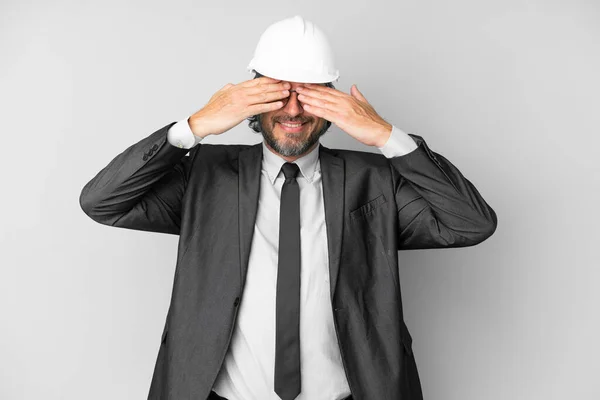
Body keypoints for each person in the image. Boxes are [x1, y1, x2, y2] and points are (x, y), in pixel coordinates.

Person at [79, 15, 497, 400]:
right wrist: (196, 125)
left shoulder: (374, 180)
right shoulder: (204, 176)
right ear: (252, 99)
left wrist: (388, 136)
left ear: (332, 102)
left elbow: (470, 223)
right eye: (278, 92)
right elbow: (103, 201)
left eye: (309, 94)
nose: (293, 110)